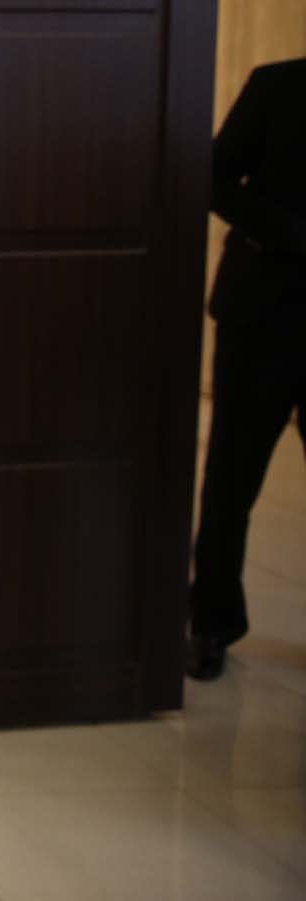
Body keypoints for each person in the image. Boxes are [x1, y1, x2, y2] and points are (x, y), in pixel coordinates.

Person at [188, 56, 306, 681]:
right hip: (263, 314)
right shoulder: (278, 86)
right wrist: (287, 232)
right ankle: (212, 623)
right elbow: (212, 178)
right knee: (233, 477)